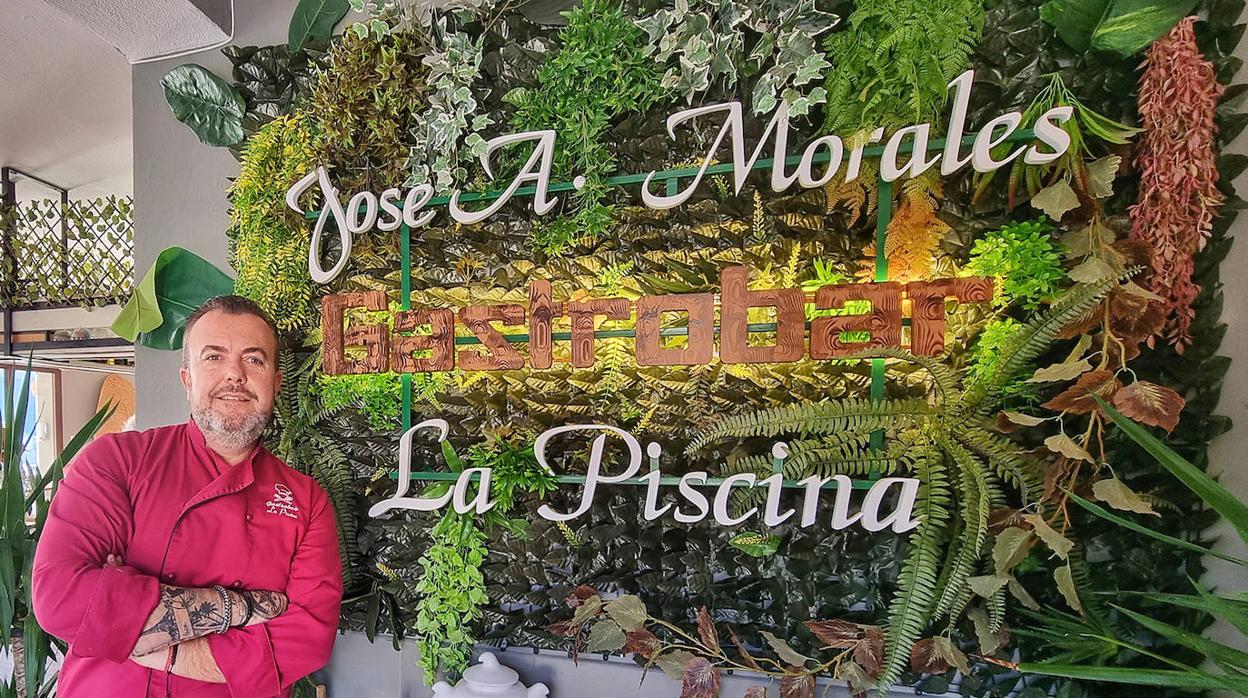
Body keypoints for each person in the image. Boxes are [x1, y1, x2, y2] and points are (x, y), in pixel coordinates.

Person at [32, 295, 343, 697]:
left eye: (254, 360)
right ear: (187, 378)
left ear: (276, 382)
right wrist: (241, 608)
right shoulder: (117, 461)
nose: (234, 375)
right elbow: (59, 596)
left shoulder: (306, 500)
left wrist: (156, 645)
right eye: (213, 357)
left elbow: (307, 638)